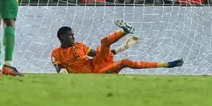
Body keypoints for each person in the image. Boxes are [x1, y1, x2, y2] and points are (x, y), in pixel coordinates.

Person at [51, 20, 184, 74]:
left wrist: (121, 49)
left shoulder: (79, 45)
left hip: (96, 64)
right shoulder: (56, 52)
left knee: (103, 43)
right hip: (95, 74)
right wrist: (62, 71)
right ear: (62, 37)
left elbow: (98, 55)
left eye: (73, 35)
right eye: (70, 36)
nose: (73, 37)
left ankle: (124, 31)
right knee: (125, 62)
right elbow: (58, 67)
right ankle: (165, 64)